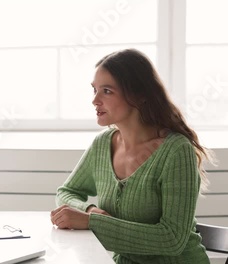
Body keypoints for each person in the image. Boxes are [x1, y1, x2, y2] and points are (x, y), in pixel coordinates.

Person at [50, 49, 214, 263]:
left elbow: (172, 239)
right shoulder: (102, 144)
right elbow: (67, 192)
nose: (95, 100)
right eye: (95, 90)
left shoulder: (176, 150)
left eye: (107, 91)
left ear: (139, 95)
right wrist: (90, 210)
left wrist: (91, 222)